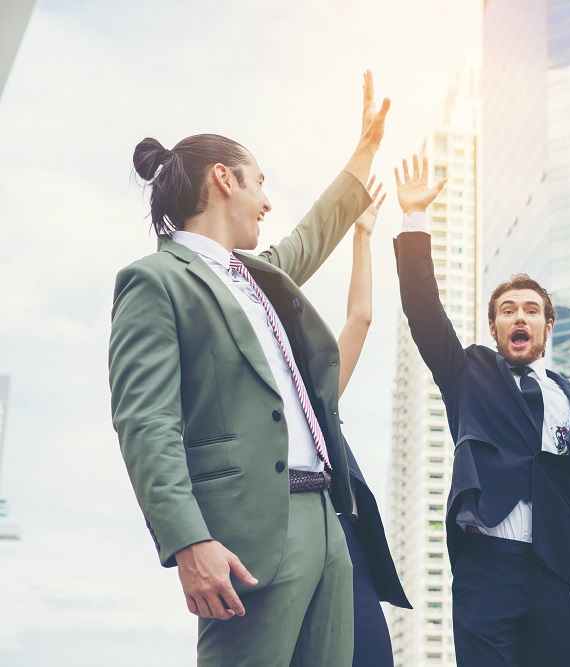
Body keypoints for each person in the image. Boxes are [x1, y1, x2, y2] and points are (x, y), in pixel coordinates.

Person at [109, 72, 389, 666]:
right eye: (260, 183)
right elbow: (145, 423)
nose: (267, 201)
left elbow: (311, 236)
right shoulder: (155, 282)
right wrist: (188, 540)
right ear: (223, 179)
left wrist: (363, 155)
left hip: (324, 518)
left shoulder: (259, 278)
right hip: (250, 532)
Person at [393, 155, 570, 666]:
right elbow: (422, 308)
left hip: (553, 570)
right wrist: (414, 219)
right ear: (495, 329)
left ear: (547, 328)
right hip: (487, 563)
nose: (518, 317)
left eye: (530, 310)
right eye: (507, 311)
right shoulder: (467, 373)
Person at [330, 180, 413, 667]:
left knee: (371, 652)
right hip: (278, 544)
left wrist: (362, 236)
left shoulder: (314, 398)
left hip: (342, 538)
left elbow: (359, 319)